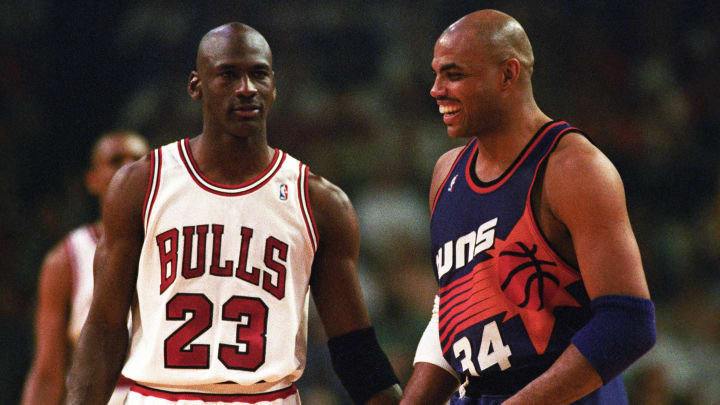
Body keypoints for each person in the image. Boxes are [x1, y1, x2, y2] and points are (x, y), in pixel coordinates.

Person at [65, 22, 402, 405]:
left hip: (266, 396)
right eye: (228, 74)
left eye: (258, 74)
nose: (246, 88)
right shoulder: (140, 184)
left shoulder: (319, 202)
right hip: (159, 395)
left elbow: (354, 348)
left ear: (274, 86)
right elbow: (105, 328)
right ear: (196, 86)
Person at [400, 10, 656, 405]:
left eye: (453, 75)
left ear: (508, 74)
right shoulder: (446, 171)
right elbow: (454, 314)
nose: (435, 89)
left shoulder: (573, 167)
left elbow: (629, 323)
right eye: (436, 74)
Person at [21, 131, 150, 405]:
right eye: (115, 160)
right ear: (92, 180)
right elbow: (48, 372)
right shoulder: (65, 259)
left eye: (137, 160)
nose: (128, 166)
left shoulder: (178, 242)